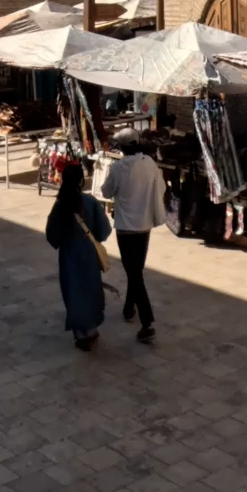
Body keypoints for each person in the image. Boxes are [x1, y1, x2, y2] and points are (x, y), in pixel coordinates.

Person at [100, 128, 165, 343]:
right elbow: (161, 187)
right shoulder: (150, 163)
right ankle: (129, 309)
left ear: (123, 147)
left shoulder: (118, 167)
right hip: (144, 225)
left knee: (134, 272)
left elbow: (106, 192)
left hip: (126, 228)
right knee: (135, 270)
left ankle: (148, 323)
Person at [46, 163, 112, 351]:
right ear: (81, 180)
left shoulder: (60, 205)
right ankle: (91, 329)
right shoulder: (90, 202)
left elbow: (52, 235)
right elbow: (104, 231)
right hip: (88, 253)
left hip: (68, 255)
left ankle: (80, 333)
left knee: (73, 292)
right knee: (90, 290)